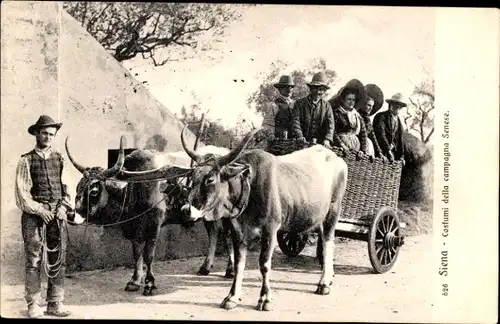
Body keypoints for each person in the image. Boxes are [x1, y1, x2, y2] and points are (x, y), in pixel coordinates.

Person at [15, 115, 74, 318]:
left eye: (52, 134)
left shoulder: (60, 159)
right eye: (44, 133)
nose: (48, 137)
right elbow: (22, 194)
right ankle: (33, 304)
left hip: (57, 215)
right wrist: (41, 210)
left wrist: (62, 207)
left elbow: (67, 188)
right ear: (37, 134)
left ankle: (55, 303)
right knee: (34, 260)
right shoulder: (26, 160)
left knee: (58, 258)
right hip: (34, 216)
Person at [290, 72, 335, 147]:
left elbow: (330, 125)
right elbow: (295, 121)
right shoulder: (299, 103)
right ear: (311, 88)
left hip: (320, 144)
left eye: (321, 90)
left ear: (324, 91)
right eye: (315, 88)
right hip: (302, 142)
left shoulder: (327, 106)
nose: (318, 92)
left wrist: (327, 139)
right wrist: (299, 136)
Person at [330, 79, 369, 155]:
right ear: (343, 100)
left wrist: (362, 150)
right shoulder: (337, 113)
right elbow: (333, 132)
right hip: (340, 147)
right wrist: (341, 144)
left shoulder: (357, 116)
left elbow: (363, 134)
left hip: (356, 148)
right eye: (349, 99)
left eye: (353, 100)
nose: (351, 102)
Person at [373, 93, 407, 162]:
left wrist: (401, 156)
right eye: (394, 104)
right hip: (380, 151)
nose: (396, 107)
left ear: (401, 107)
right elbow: (380, 134)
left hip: (392, 154)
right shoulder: (381, 116)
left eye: (399, 105)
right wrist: (388, 150)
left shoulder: (399, 121)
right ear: (390, 104)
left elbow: (400, 140)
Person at [261, 75, 295, 140]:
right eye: (286, 87)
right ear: (280, 89)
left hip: (294, 141)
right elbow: (267, 124)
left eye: (291, 87)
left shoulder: (296, 105)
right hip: (278, 141)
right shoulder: (273, 105)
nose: (289, 90)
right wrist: (271, 135)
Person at [357, 84, 385, 158]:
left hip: (367, 145)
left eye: (372, 106)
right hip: (358, 145)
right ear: (363, 104)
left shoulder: (368, 119)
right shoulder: (357, 115)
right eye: (369, 105)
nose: (370, 108)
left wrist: (379, 152)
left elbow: (372, 135)